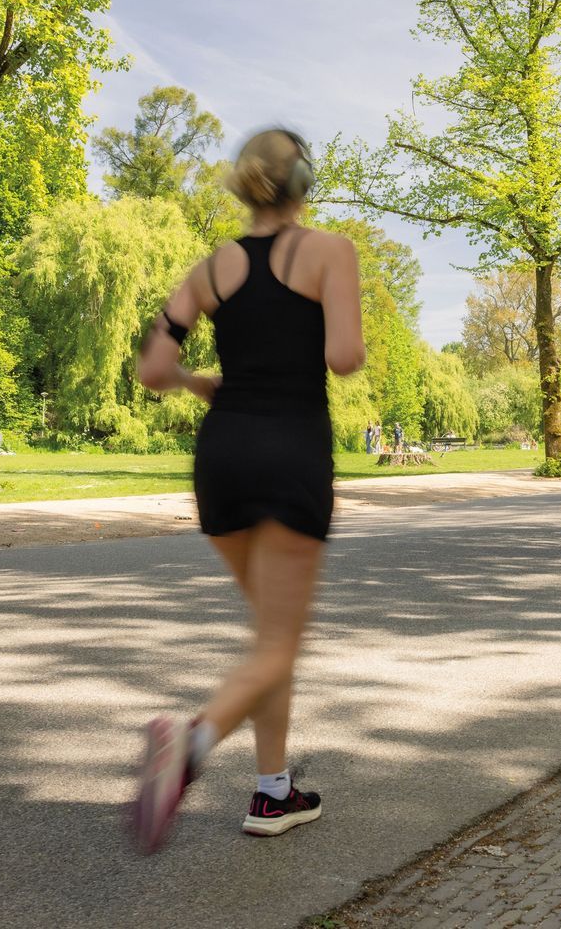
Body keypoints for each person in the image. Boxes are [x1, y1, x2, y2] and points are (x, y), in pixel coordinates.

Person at [130, 128, 365, 854]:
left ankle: (273, 793)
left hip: (222, 458)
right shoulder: (329, 250)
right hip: (291, 452)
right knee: (279, 641)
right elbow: (345, 357)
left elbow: (152, 369)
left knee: (272, 639)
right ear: (303, 180)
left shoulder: (210, 269)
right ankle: (191, 746)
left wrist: (201, 381)